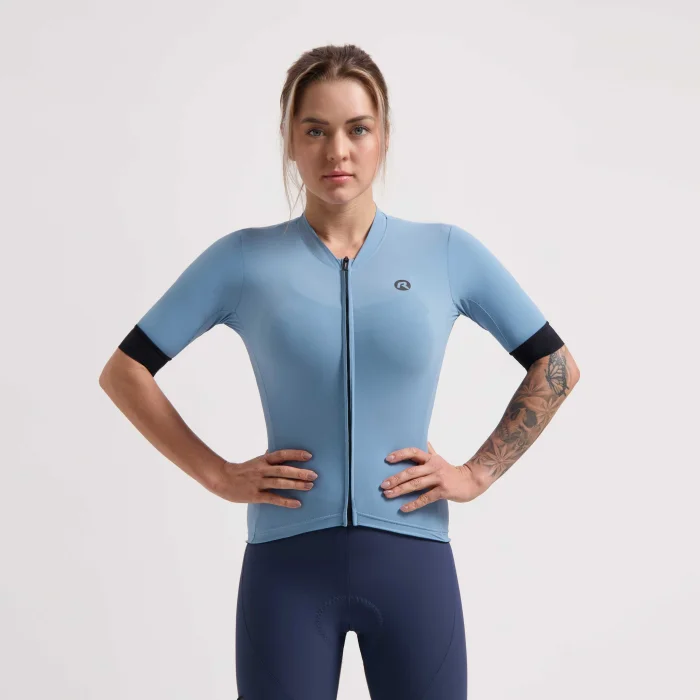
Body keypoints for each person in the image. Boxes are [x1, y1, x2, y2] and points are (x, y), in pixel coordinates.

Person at [100, 43, 580, 700]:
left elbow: (555, 365)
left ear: (383, 137)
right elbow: (125, 370)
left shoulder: (446, 253)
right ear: (289, 142)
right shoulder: (243, 261)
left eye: (357, 129)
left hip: (413, 564)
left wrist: (476, 473)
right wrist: (217, 474)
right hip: (285, 569)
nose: (338, 152)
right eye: (315, 131)